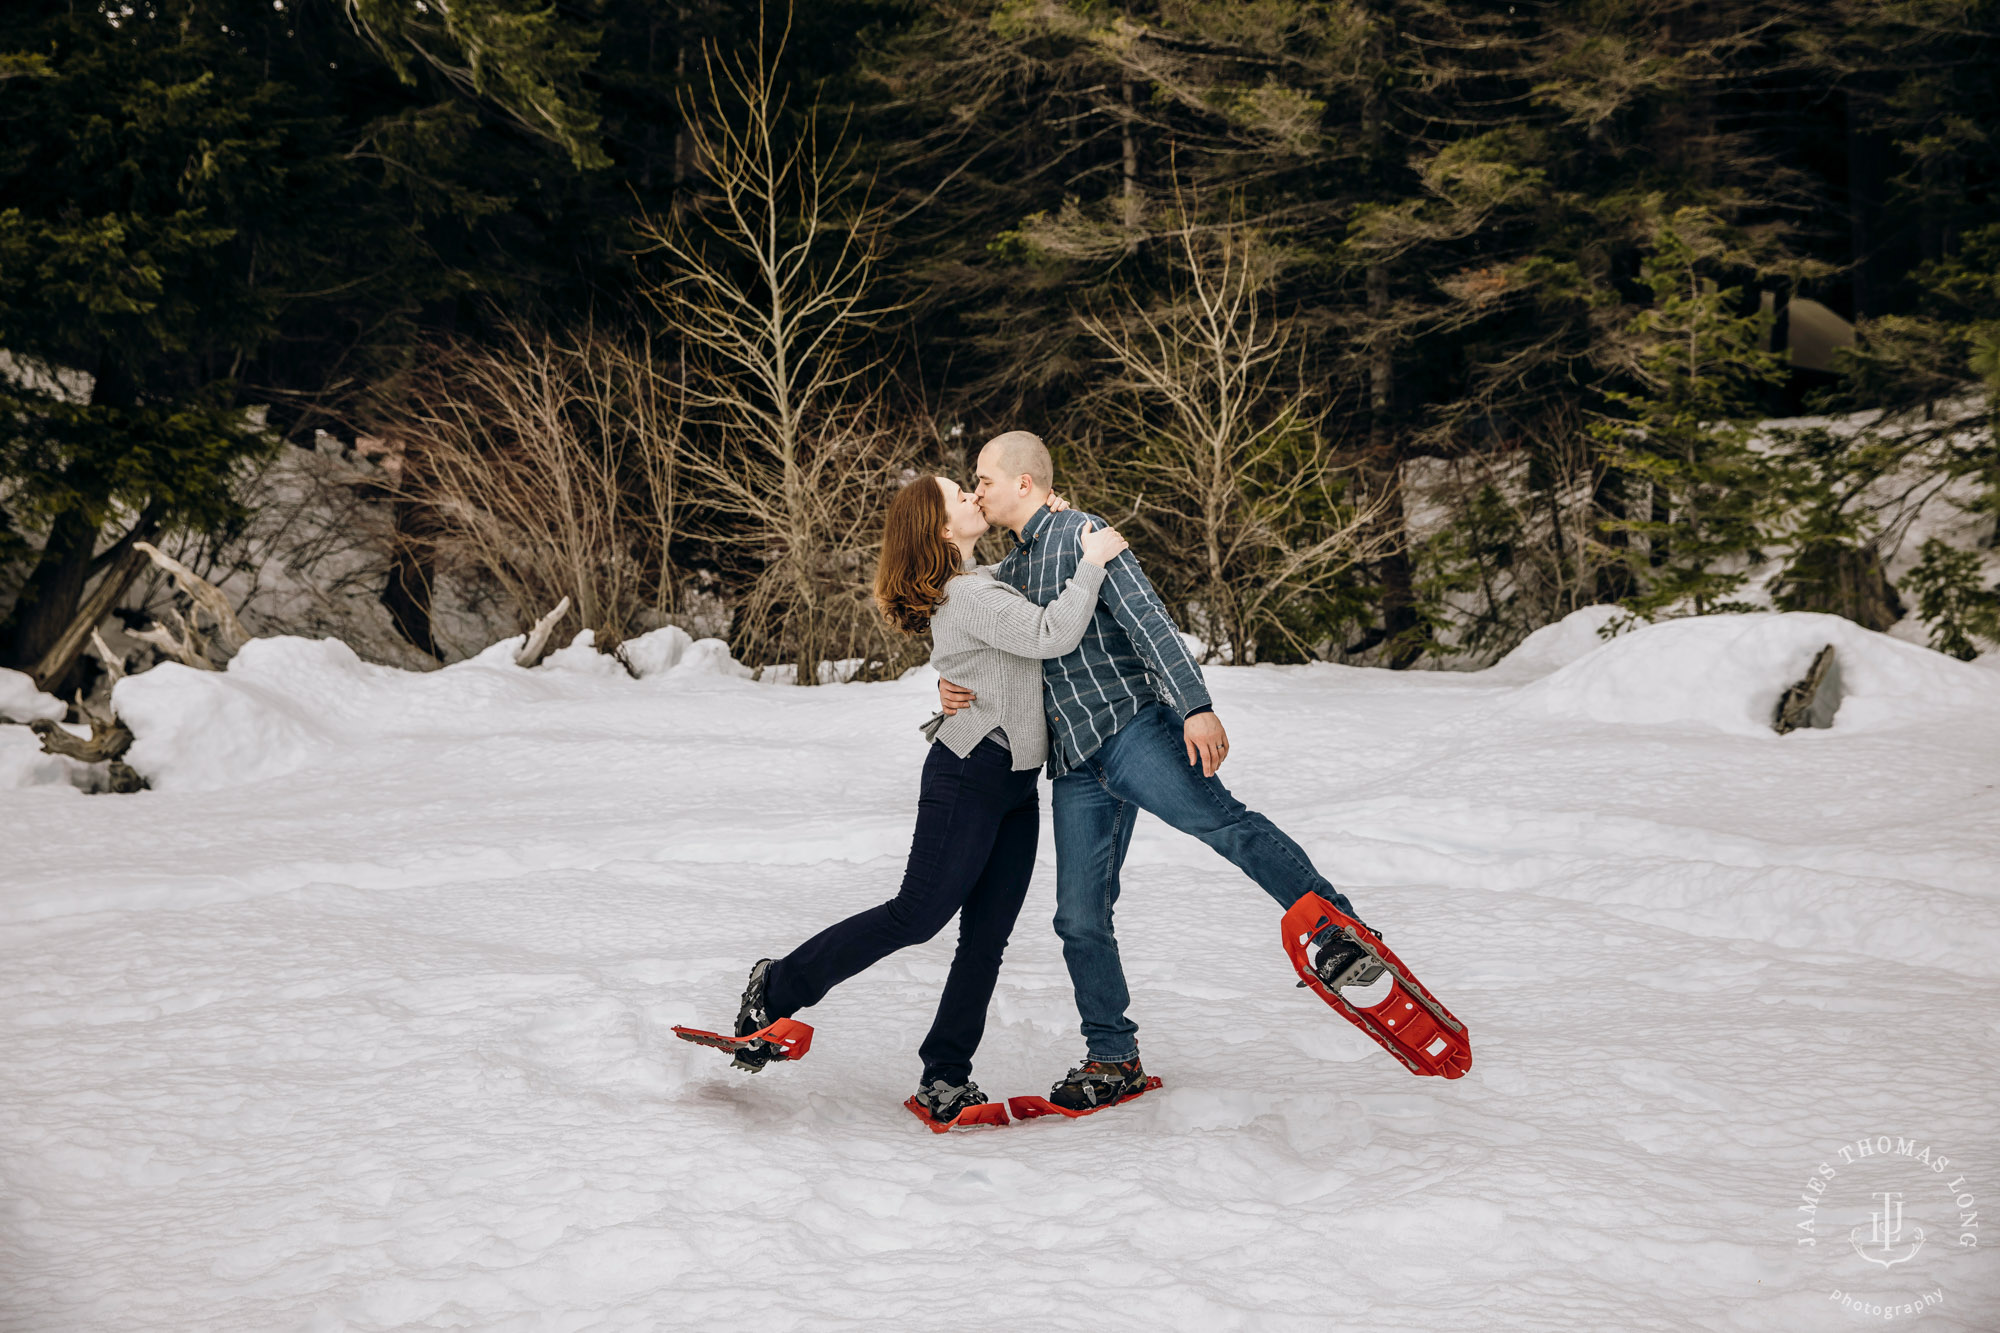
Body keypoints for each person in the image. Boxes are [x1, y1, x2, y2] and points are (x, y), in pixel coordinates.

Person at [939, 430, 1376, 1113]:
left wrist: (1195, 706)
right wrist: (952, 687)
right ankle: (1112, 1055)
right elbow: (995, 644)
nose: (979, 488)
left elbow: (1148, 620)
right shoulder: (1012, 568)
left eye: (985, 477)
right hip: (1074, 763)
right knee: (1078, 916)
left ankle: (1338, 931)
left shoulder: (1084, 532)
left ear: (1024, 482)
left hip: (1132, 728)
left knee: (1222, 824)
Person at [720, 472, 1130, 1125]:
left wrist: (1050, 519)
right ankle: (776, 985)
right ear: (941, 528)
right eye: (959, 495)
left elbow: (1023, 583)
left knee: (985, 938)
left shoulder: (985, 581)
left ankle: (945, 1075)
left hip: (1016, 783)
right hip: (968, 772)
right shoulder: (967, 595)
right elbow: (1052, 632)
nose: (973, 495)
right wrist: (1091, 561)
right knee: (916, 915)